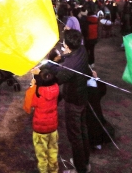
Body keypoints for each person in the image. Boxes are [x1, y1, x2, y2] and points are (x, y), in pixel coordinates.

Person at [53, 29, 92, 173]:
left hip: (73, 101)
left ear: (68, 45)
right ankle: (84, 161)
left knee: (75, 135)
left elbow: (57, 79)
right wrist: (64, 57)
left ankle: (80, 168)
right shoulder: (81, 50)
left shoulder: (70, 65)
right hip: (82, 98)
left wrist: (42, 73)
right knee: (82, 130)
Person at [31, 68, 60, 173]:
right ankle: (54, 170)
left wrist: (32, 86)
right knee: (53, 151)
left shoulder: (38, 93)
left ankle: (43, 171)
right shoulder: (56, 89)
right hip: (53, 127)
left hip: (40, 129)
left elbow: (30, 104)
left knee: (41, 155)